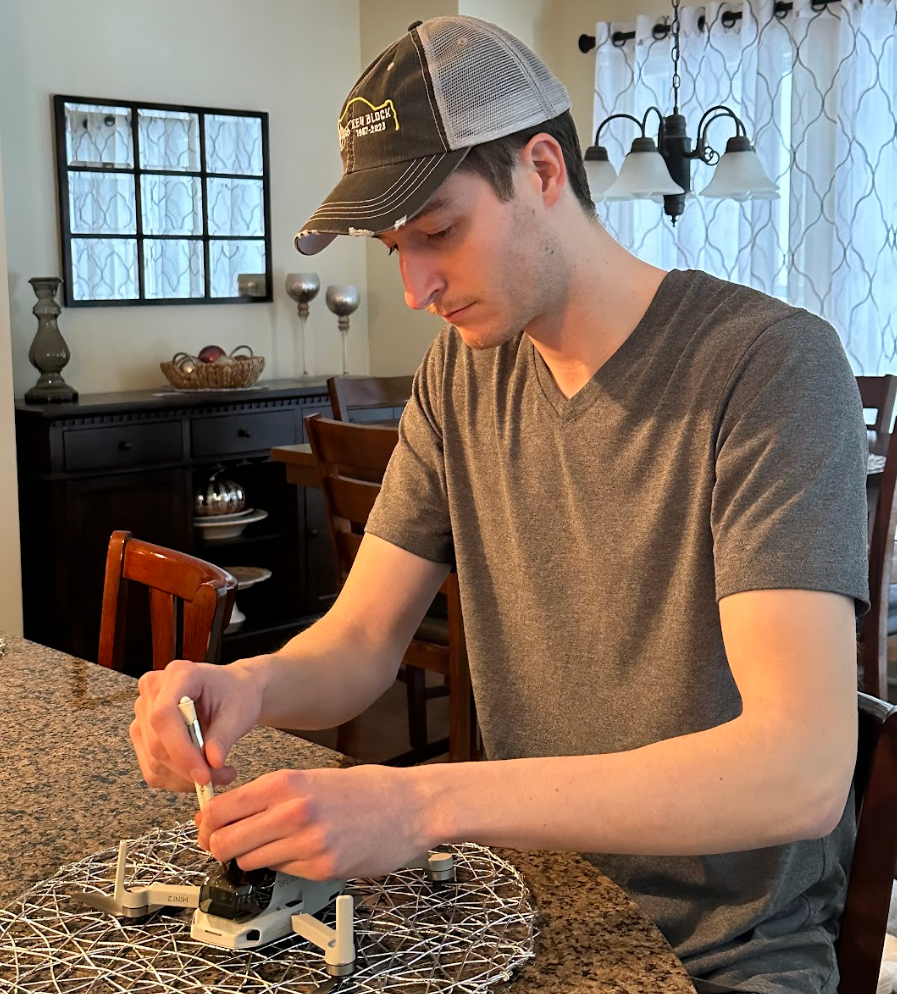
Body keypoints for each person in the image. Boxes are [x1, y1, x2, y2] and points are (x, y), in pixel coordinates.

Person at [130, 16, 869, 994]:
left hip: (720, 953)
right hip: (511, 911)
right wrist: (253, 684)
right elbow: (357, 645)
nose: (416, 284)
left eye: (436, 232)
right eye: (395, 246)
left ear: (543, 171)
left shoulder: (768, 365)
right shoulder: (460, 379)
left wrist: (423, 800)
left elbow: (801, 768)